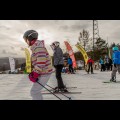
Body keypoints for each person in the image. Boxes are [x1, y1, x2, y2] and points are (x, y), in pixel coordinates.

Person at [23, 30, 53, 100]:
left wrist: (35, 73)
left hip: (45, 72)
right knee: (35, 91)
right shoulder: (36, 46)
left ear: (30, 37)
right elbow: (38, 62)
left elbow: (41, 61)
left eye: (26, 39)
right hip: (44, 72)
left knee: (34, 92)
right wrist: (34, 72)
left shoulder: (38, 46)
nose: (26, 41)